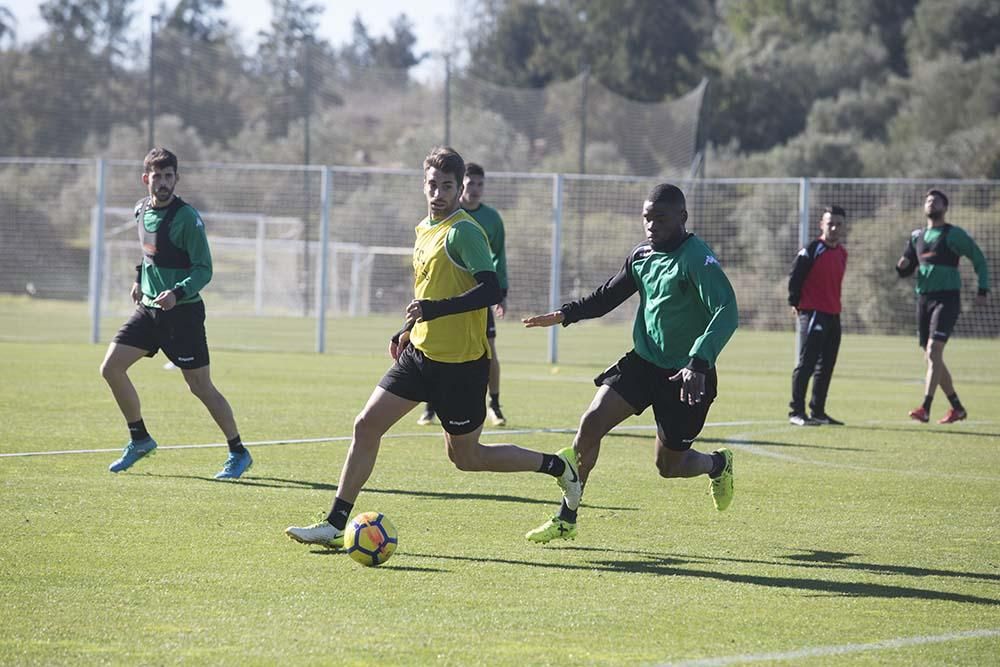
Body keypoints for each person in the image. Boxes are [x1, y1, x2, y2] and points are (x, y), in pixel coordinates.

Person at [284, 147, 581, 548]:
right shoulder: (424, 228)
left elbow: (490, 289)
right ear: (423, 184)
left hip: (460, 366)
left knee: (467, 458)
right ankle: (336, 522)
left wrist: (435, 310)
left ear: (460, 189)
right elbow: (426, 291)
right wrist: (407, 327)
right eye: (432, 185)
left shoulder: (464, 232)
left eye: (447, 186)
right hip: (420, 355)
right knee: (366, 425)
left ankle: (557, 466)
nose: (438, 193)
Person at [521, 183, 738, 544]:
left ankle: (718, 464)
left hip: (687, 376)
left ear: (682, 218)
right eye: (646, 218)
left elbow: (727, 311)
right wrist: (565, 314)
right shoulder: (641, 256)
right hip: (643, 363)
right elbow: (607, 296)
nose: (651, 226)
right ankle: (566, 517)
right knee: (590, 423)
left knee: (670, 466)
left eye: (661, 218)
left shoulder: (697, 260)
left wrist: (699, 362)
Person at [100, 148, 252, 478]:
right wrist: (140, 280)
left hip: (183, 315)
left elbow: (204, 269)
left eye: (169, 176)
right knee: (111, 368)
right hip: (149, 310)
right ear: (146, 179)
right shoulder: (140, 210)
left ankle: (238, 451)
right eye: (157, 176)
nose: (164, 182)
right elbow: (150, 253)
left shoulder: (187, 218)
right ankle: (139, 439)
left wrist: (178, 292)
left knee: (200, 386)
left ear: (177, 179)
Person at [418, 162, 510, 427]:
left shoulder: (488, 220)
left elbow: (497, 258)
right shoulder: (438, 218)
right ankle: (430, 405)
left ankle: (494, 404)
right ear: (462, 186)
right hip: (439, 302)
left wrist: (501, 292)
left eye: (481, 184)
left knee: (488, 348)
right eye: (472, 184)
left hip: (475, 300)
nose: (476, 189)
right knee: (430, 345)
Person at [896, 189, 990, 424]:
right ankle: (957, 407)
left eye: (936, 200)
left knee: (933, 350)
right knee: (931, 357)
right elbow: (906, 268)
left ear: (945, 208)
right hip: (924, 299)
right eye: (928, 200)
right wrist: (902, 266)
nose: (931, 203)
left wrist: (982, 289)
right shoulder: (917, 236)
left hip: (947, 298)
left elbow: (979, 259)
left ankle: (925, 407)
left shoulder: (954, 234)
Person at [787, 206, 848, 426]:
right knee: (807, 364)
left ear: (843, 226)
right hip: (813, 313)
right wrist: (794, 301)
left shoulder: (842, 253)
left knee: (826, 365)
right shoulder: (812, 249)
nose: (834, 227)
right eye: (830, 223)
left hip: (833, 315)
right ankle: (796, 412)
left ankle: (818, 412)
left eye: (838, 224)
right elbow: (796, 277)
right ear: (821, 224)